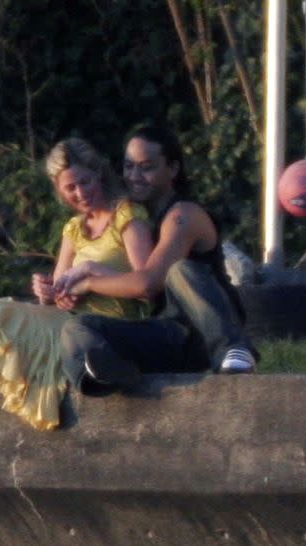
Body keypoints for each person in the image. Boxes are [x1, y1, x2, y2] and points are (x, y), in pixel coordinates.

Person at [0, 137, 153, 430]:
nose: (80, 193)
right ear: (59, 190)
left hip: (107, 323)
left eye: (85, 182)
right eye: (70, 187)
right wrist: (48, 290)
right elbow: (55, 296)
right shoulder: (74, 229)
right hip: (66, 319)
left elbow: (146, 283)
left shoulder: (127, 216)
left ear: (99, 175)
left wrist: (91, 276)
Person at [55, 125, 258, 394]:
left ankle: (234, 349)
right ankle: (107, 376)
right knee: (77, 327)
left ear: (172, 169)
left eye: (146, 167)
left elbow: (148, 283)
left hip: (201, 332)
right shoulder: (136, 218)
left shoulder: (183, 215)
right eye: (129, 167)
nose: (135, 176)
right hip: (168, 334)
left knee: (179, 270)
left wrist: (90, 279)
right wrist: (55, 288)